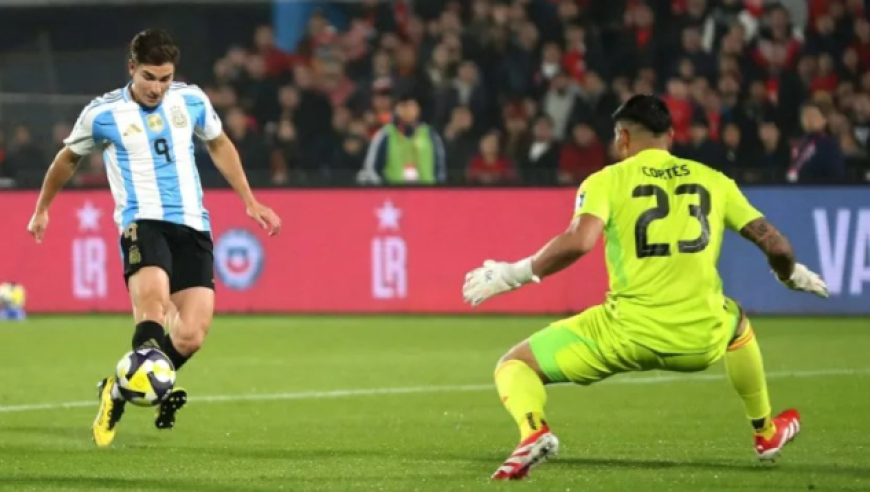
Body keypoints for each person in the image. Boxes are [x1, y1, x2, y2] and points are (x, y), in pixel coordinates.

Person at [461, 94, 829, 480]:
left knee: (516, 364)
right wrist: (789, 274)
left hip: (623, 334)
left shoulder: (607, 180)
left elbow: (579, 242)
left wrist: (513, 274)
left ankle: (534, 430)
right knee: (735, 322)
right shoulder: (714, 180)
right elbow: (777, 246)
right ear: (670, 135)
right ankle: (765, 432)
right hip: (698, 338)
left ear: (622, 137)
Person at [26, 29, 282, 447]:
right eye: (149, 77)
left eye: (165, 78)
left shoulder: (191, 100)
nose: (157, 88)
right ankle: (131, 388)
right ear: (132, 68)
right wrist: (42, 208)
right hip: (141, 221)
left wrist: (249, 201)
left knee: (191, 335)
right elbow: (67, 159)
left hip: (192, 225)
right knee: (154, 305)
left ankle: (118, 389)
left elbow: (219, 144)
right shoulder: (103, 113)